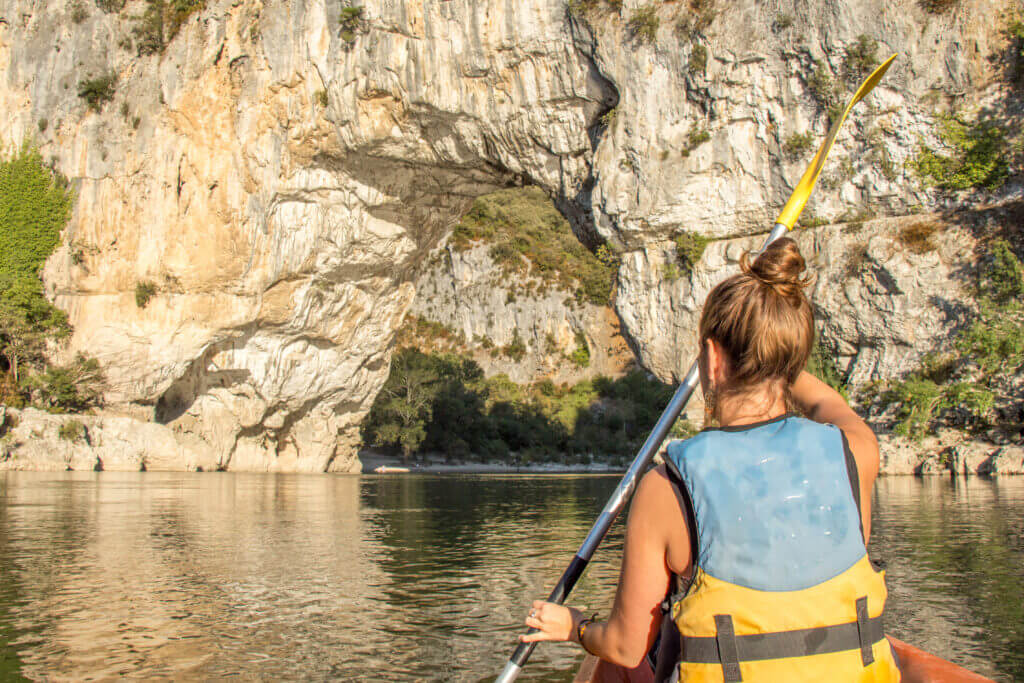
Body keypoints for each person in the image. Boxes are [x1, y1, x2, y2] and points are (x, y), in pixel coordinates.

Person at [520, 238, 901, 682]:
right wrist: (774, 357)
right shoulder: (856, 452)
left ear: (713, 359)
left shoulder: (668, 488)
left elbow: (625, 647)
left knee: (609, 662)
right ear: (789, 359)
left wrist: (575, 627)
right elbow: (827, 404)